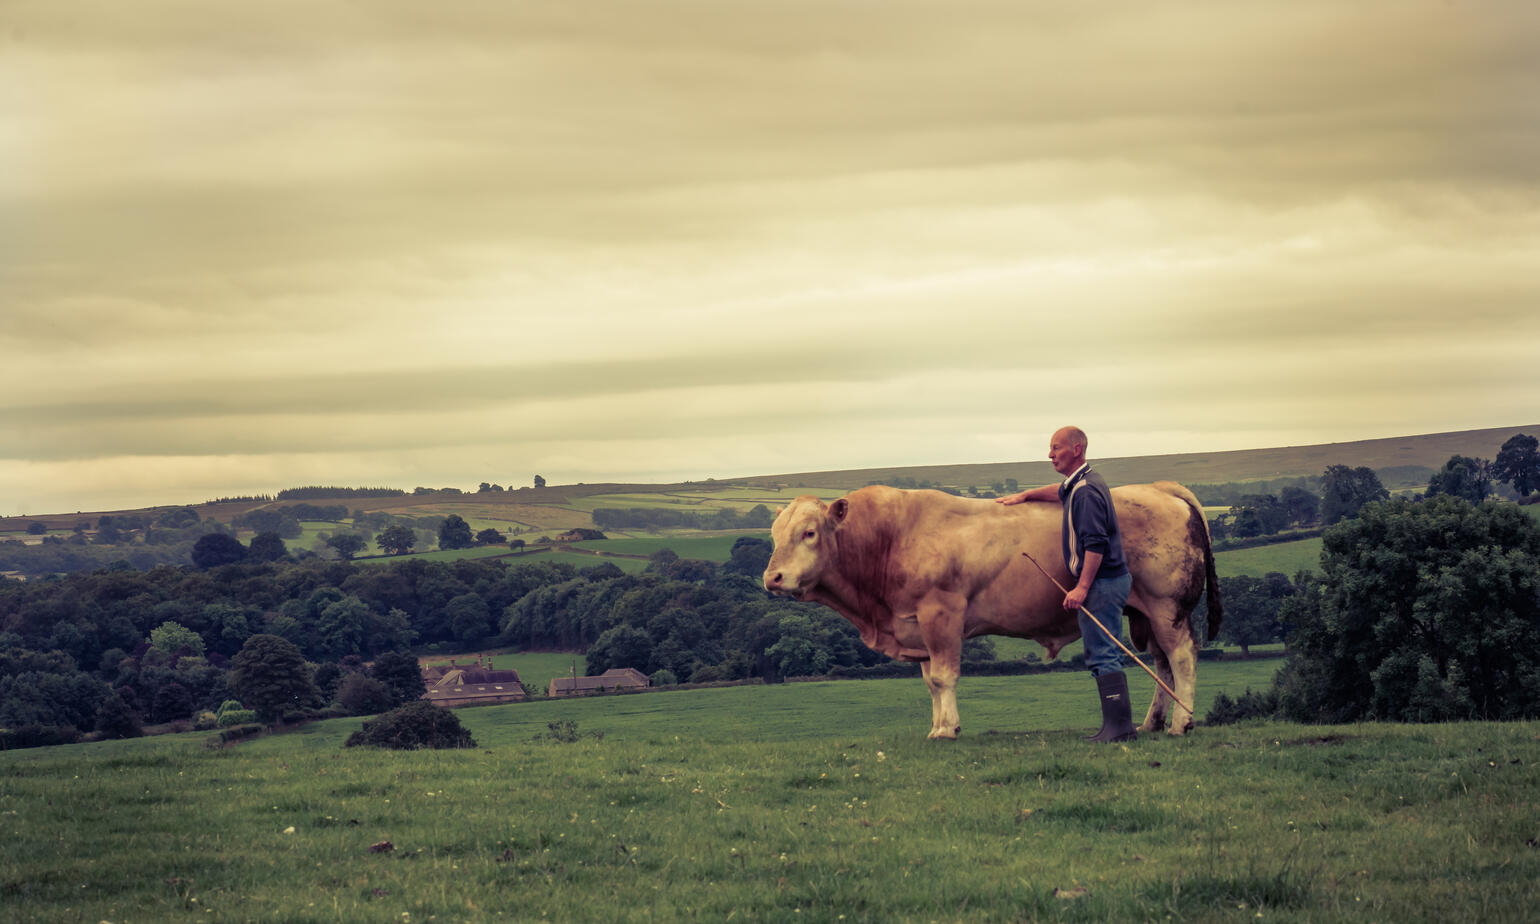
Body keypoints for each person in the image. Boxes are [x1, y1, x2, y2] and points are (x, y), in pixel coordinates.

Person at [996, 426, 1136, 742]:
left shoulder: (1085, 492)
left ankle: (1119, 729)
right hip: (1107, 581)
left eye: (1056, 448)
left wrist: (1082, 587)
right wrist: (1027, 495)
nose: (1050, 454)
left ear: (1077, 449)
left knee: (1103, 653)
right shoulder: (1082, 482)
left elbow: (1096, 544)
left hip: (1102, 583)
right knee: (1102, 650)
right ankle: (1116, 727)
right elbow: (1058, 491)